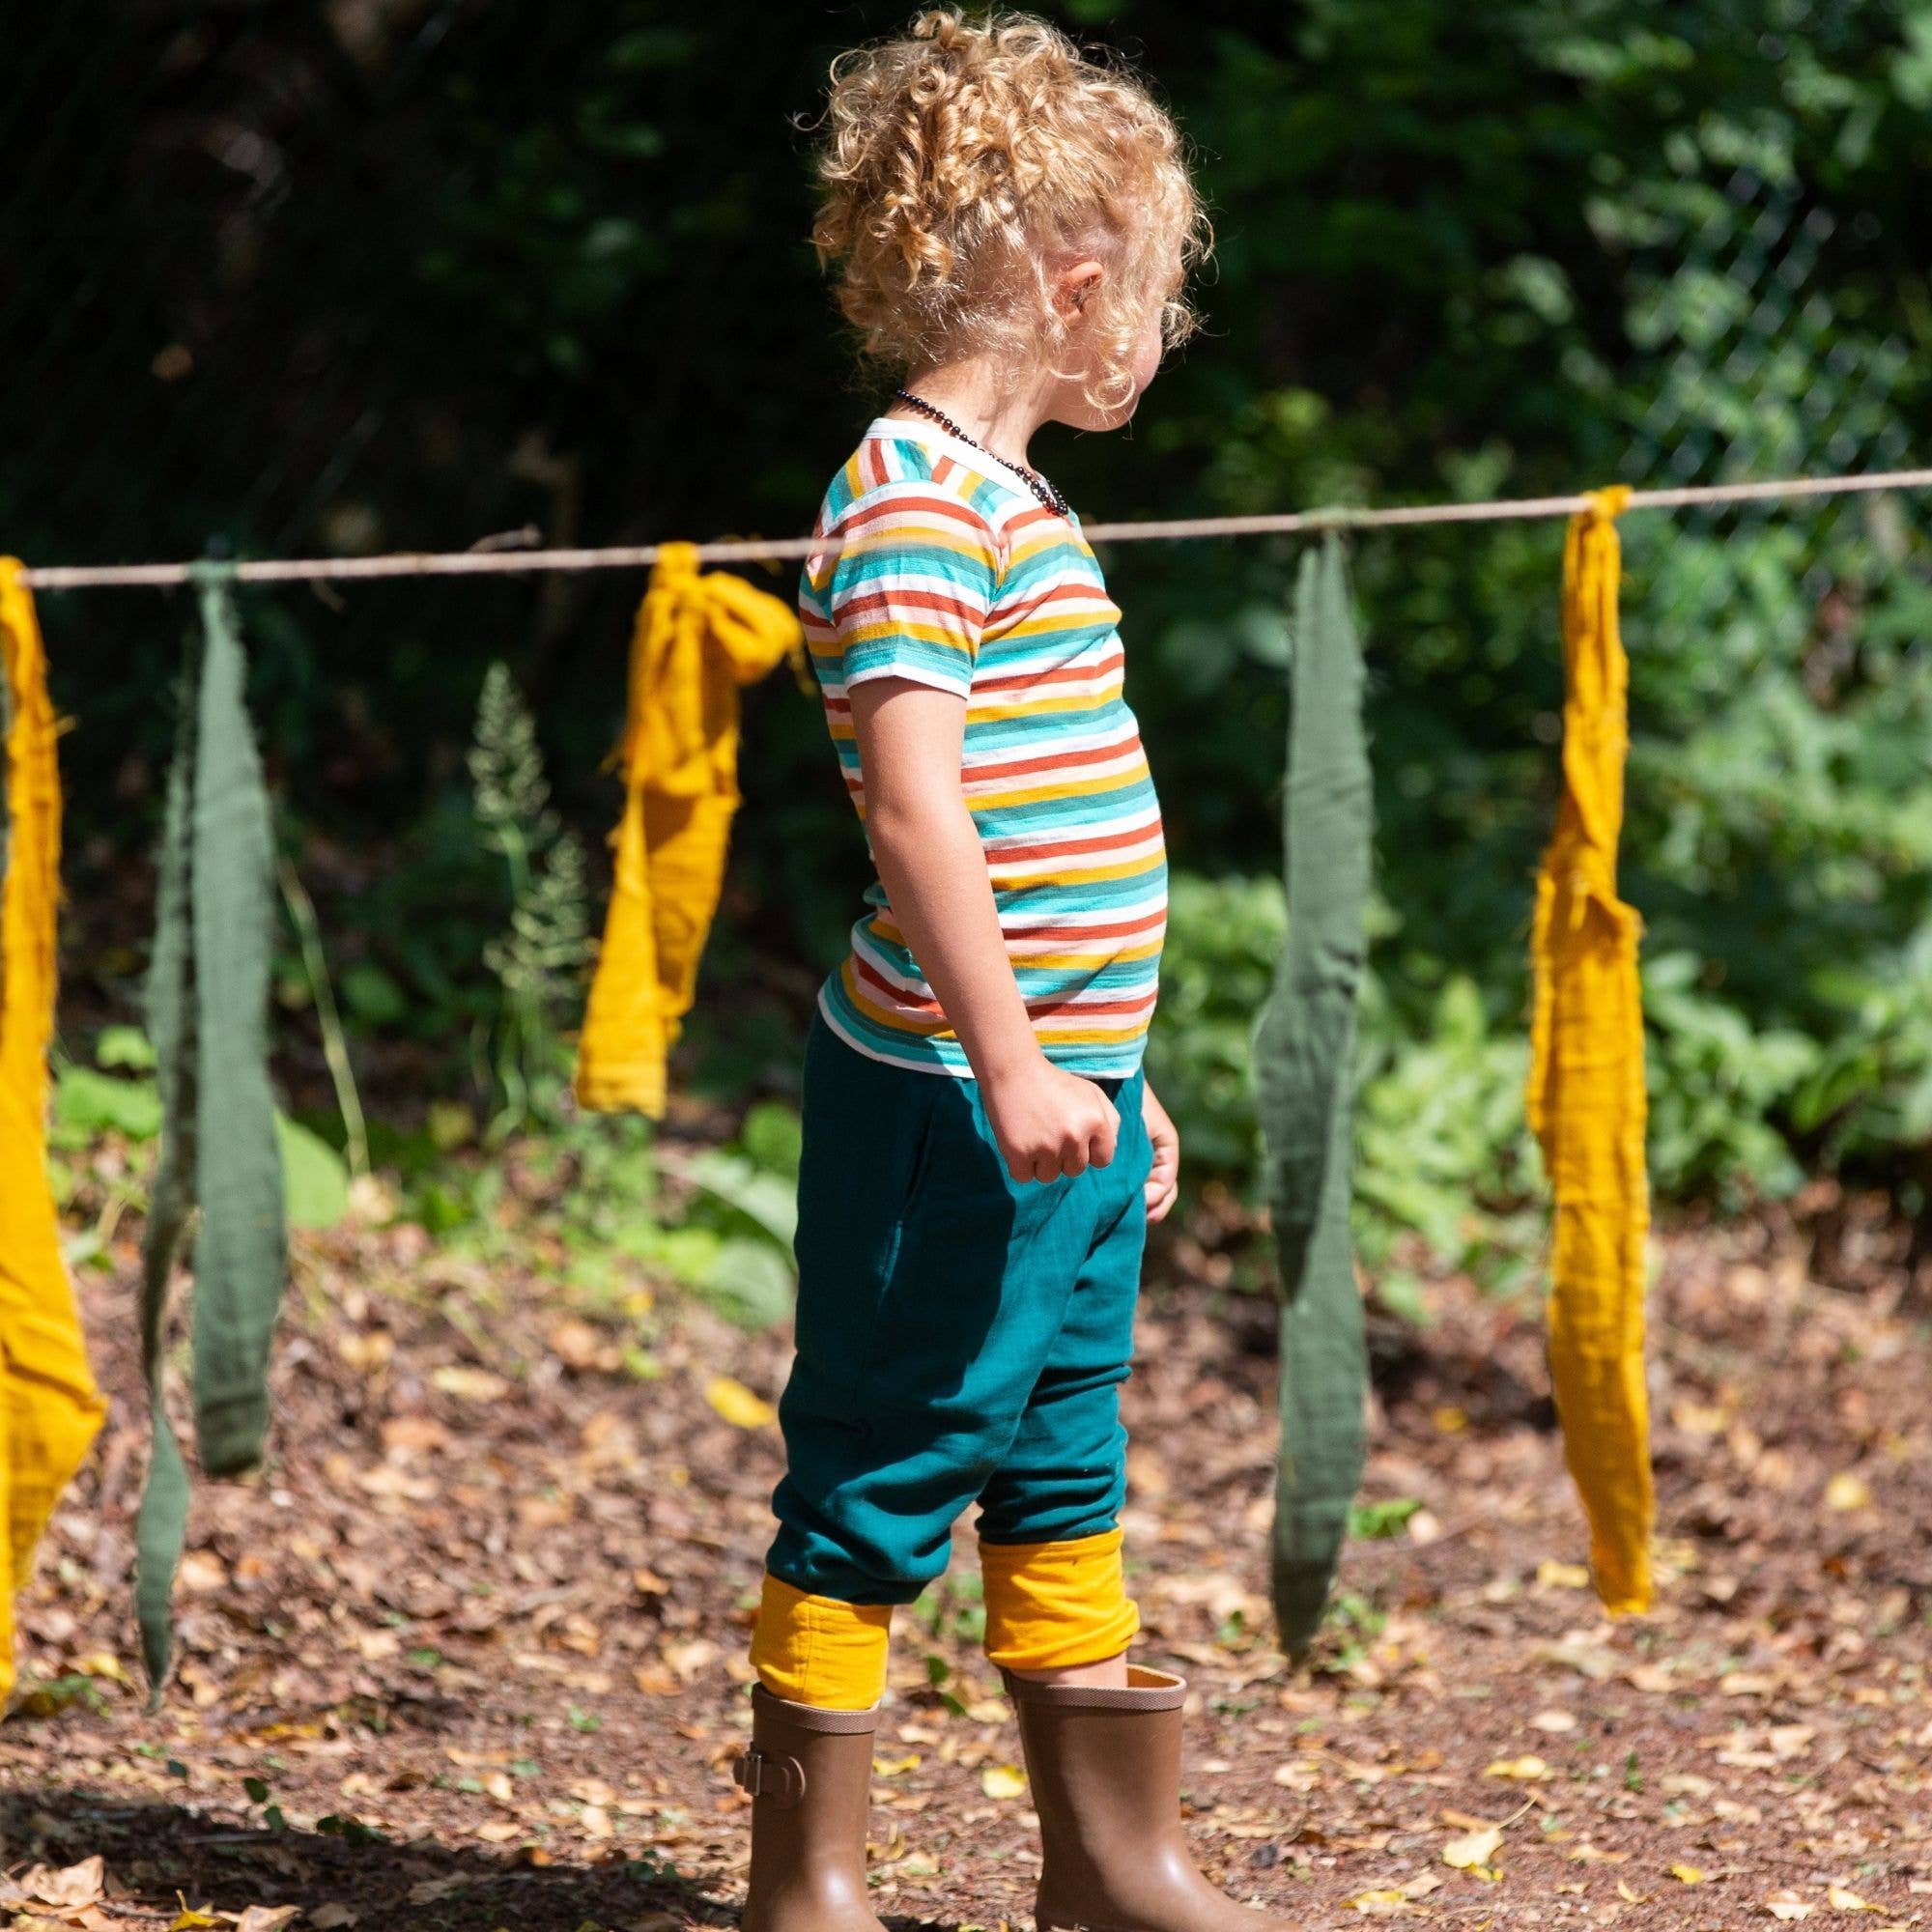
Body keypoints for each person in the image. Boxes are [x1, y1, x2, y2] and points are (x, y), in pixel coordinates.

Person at [733, 12, 1285, 1927]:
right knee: (890, 1458)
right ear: (1070, 276)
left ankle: (1109, 1859)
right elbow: (913, 814)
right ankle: (806, 1882)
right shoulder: (910, 496)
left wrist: (1113, 1079)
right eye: (1149, 292)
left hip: (1060, 1099)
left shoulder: (1014, 498)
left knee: (1061, 1445)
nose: (1155, 334)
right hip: (955, 1106)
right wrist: (1015, 1067)